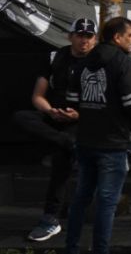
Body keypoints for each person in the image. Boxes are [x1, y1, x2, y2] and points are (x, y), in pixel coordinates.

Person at [64, 16, 131, 254]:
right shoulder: (123, 63)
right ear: (117, 37)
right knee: (106, 203)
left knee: (81, 197)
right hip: (112, 144)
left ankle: (71, 247)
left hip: (85, 141)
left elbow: (73, 102)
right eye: (130, 36)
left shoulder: (82, 62)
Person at [12, 17, 98, 242]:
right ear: (70, 36)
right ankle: (66, 143)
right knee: (21, 117)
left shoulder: (100, 63)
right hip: (54, 118)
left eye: (89, 37)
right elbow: (37, 96)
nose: (84, 41)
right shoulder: (56, 58)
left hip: (83, 121)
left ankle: (50, 218)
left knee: (62, 158)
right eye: (80, 35)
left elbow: (105, 106)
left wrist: (79, 114)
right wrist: (51, 112)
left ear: (95, 39)